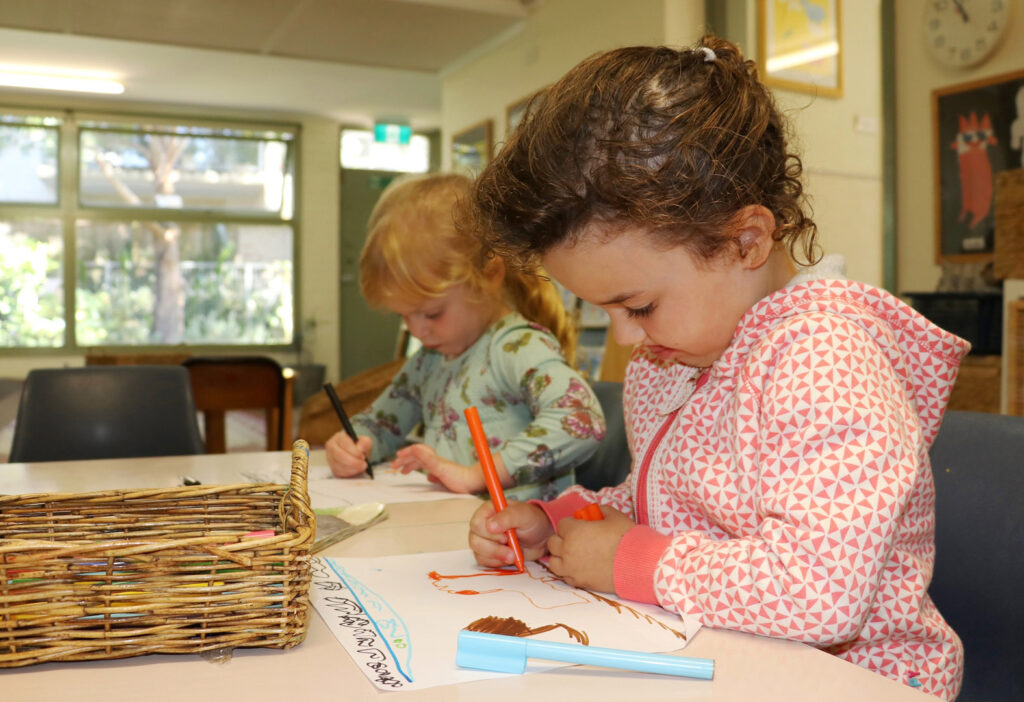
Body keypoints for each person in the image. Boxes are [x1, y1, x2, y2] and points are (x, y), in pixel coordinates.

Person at [464, 38, 966, 701]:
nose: (623, 334)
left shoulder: (825, 360)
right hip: (724, 656)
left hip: (859, 679)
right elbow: (670, 508)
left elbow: (820, 592)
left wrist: (631, 562)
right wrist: (565, 523)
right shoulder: (677, 355)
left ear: (746, 240)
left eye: (637, 304)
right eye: (604, 309)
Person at [325, 173, 605, 501]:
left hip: (523, 541)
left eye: (431, 314)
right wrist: (353, 444)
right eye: (404, 316)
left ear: (489, 276)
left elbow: (581, 418)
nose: (418, 331)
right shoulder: (428, 361)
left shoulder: (517, 347)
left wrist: (477, 475)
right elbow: (381, 426)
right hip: (453, 526)